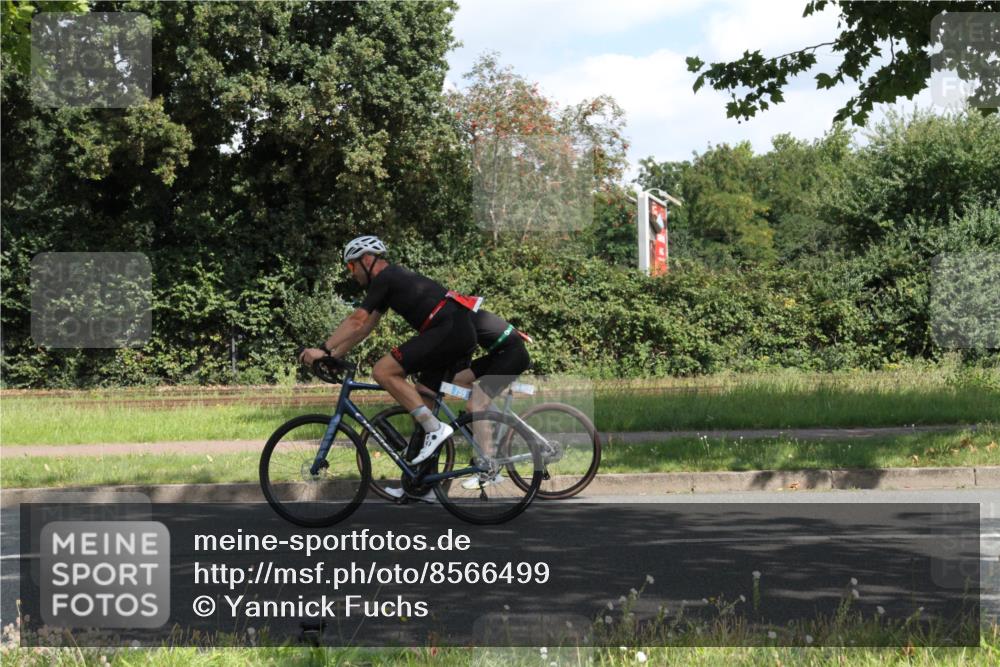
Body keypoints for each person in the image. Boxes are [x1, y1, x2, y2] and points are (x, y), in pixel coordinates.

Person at [298, 235, 477, 472]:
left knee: (383, 371)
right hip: (453, 332)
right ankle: (426, 486)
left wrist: (322, 349)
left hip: (448, 331)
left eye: (351, 265)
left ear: (367, 259)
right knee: (420, 406)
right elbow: (363, 329)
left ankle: (436, 429)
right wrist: (334, 355)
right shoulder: (390, 283)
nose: (352, 273)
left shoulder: (386, 277)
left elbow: (356, 320)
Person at [417, 309, 531, 490]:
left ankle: (488, 470)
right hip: (501, 354)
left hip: (511, 355)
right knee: (458, 380)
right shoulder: (458, 314)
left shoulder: (455, 318)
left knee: (474, 406)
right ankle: (491, 417)